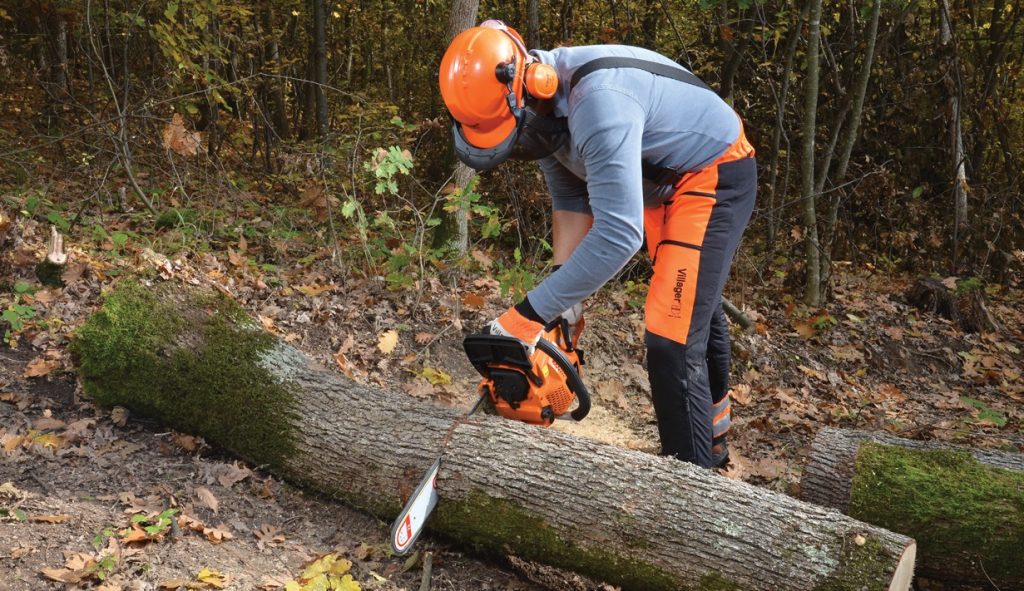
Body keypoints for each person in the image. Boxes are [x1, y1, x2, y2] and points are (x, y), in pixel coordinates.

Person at [438, 21, 755, 469]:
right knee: (691, 310)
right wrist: (564, 308)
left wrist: (527, 316)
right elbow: (571, 197)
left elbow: (619, 232)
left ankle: (690, 485)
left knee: (671, 334)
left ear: (533, 87)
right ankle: (713, 439)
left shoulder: (599, 106)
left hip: (712, 172)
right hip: (656, 180)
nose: (519, 149)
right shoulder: (541, 110)